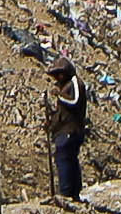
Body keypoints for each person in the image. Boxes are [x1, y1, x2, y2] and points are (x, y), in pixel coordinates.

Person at [34, 49, 90, 202]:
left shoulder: (75, 83)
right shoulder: (64, 87)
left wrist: (59, 95)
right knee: (67, 159)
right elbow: (62, 113)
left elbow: (74, 102)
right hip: (63, 131)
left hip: (71, 130)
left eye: (60, 74)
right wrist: (51, 122)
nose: (58, 78)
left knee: (65, 159)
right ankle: (72, 192)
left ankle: (67, 193)